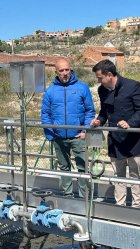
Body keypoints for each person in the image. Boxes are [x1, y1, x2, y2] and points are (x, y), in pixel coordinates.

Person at [91, 60, 140, 208]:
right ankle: (120, 206)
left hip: (133, 140)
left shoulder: (132, 85)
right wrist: (99, 121)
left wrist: (130, 123)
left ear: (109, 75)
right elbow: (104, 112)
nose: (98, 80)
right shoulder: (102, 90)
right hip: (115, 140)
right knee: (119, 176)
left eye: (99, 77)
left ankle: (137, 207)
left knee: (135, 176)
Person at [41, 58, 96, 198]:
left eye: (67, 69)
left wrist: (85, 131)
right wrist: (50, 134)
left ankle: (84, 197)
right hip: (59, 137)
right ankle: (68, 195)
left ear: (71, 70)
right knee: (64, 167)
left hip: (78, 136)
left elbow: (90, 111)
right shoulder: (50, 91)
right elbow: (45, 114)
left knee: (82, 167)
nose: (65, 73)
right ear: (56, 72)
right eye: (61, 70)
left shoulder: (82, 87)